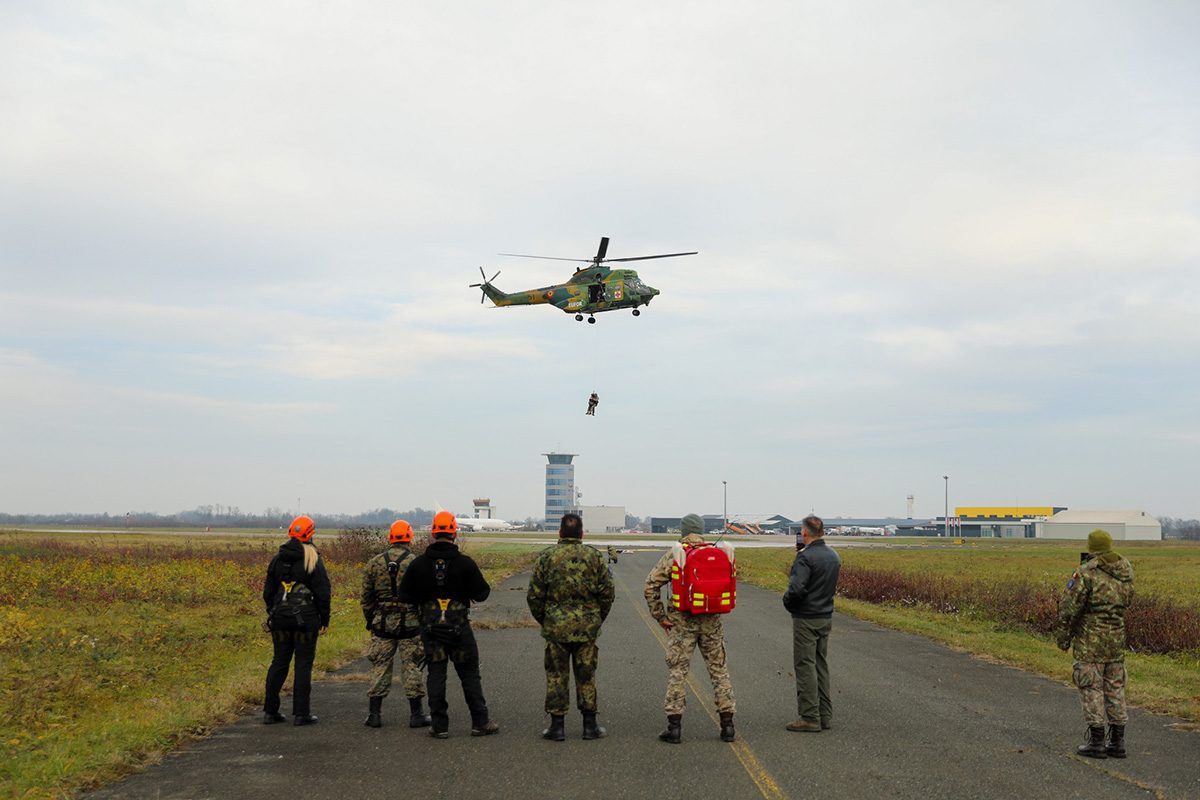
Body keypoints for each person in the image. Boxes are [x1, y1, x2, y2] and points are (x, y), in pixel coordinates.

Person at [399, 511, 499, 739]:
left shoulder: (418, 564)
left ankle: (440, 726)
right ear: (454, 532)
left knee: (436, 675)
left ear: (434, 533)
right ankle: (480, 723)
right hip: (460, 630)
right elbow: (482, 593)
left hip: (431, 631)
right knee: (470, 675)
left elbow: (404, 595)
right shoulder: (465, 563)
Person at [643, 513, 736, 743]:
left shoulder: (676, 554)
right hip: (712, 622)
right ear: (702, 530)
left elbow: (650, 585)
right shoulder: (719, 553)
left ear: (683, 531)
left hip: (682, 622)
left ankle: (674, 727)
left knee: (678, 672)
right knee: (719, 671)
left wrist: (660, 616)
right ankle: (728, 726)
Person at [526, 512, 615, 741]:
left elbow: (534, 596)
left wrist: (546, 620)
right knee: (586, 675)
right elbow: (607, 593)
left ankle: (557, 727)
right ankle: (589, 725)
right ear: (582, 533)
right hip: (587, 628)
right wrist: (596, 619)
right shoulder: (594, 557)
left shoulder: (547, 557)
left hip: (556, 627)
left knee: (557, 675)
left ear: (560, 533)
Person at [1057, 529, 1135, 759]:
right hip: (1115, 641)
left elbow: (1070, 608)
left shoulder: (1086, 573)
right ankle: (1118, 742)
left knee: (1091, 688)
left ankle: (1097, 742)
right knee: (1115, 689)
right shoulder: (1125, 571)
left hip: (1090, 642)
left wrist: (1063, 637)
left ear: (1091, 548)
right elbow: (1127, 601)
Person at [360, 519, 430, 729]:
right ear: (409, 537)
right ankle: (416, 715)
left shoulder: (374, 563)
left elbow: (366, 598)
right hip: (410, 622)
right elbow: (425, 596)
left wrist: (371, 620)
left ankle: (374, 715)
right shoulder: (416, 562)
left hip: (382, 622)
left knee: (380, 666)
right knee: (412, 665)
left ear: (390, 537)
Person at [262, 515, 331, 726]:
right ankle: (302, 714)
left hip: (280, 619)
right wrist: (324, 619)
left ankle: (270, 712)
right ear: (310, 533)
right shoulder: (313, 558)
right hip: (306, 621)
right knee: (303, 664)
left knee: (279, 662)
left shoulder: (277, 559)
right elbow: (323, 592)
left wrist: (273, 611)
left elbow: (268, 592)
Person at [782, 514, 841, 733]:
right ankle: (824, 715)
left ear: (804, 533)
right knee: (820, 664)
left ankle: (809, 716)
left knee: (805, 665)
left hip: (806, 617)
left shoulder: (805, 557)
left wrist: (787, 602)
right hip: (825, 615)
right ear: (823, 532)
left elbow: (797, 589)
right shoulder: (833, 555)